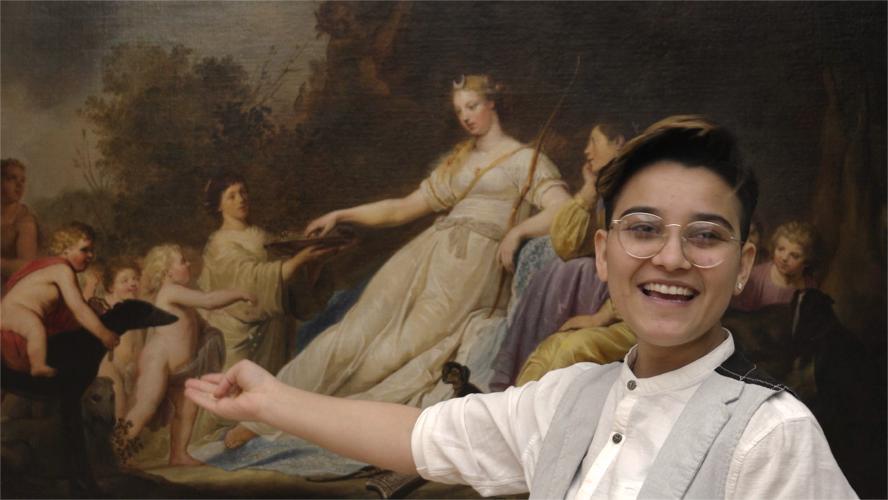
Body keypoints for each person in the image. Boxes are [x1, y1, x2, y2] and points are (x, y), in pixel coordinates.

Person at [186, 115, 856, 498]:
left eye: (706, 236)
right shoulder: (566, 396)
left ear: (744, 266)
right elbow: (419, 438)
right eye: (644, 229)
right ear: (602, 253)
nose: (671, 259)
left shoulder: (773, 438)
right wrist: (269, 401)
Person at [221, 73, 571, 448]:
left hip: (467, 276)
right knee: (350, 335)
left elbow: (563, 207)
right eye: (458, 111)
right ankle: (265, 410)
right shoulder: (459, 161)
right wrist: (343, 214)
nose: (466, 117)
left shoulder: (526, 161)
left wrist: (517, 232)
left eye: (472, 106)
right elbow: (402, 209)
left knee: (388, 356)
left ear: (492, 104)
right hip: (424, 259)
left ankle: (299, 422)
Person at [192, 173, 337, 438]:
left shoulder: (261, 235)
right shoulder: (219, 243)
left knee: (273, 395)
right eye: (232, 196)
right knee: (230, 400)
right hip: (239, 331)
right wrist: (298, 261)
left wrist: (312, 264)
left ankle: (259, 428)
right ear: (218, 206)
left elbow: (287, 283)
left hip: (274, 328)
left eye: (243, 192)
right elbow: (249, 281)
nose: (241, 199)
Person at [491, 121, 631, 390]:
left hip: (622, 298)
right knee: (562, 270)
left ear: (619, 142)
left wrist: (600, 317)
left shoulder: (636, 192)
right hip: (608, 286)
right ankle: (516, 398)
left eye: (594, 141)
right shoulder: (606, 189)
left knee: (568, 272)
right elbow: (565, 244)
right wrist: (589, 190)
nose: (587, 151)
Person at [114, 244, 255, 466]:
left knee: (187, 410)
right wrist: (238, 293)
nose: (188, 264)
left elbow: (194, 325)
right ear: (167, 272)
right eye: (182, 261)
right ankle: (115, 454)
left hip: (183, 368)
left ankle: (178, 455)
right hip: (158, 362)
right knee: (143, 407)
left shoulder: (181, 298)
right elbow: (208, 300)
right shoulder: (170, 291)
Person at [0, 222, 118, 377]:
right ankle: (38, 366)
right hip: (14, 311)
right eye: (84, 250)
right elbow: (78, 309)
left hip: (13, 311)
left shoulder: (57, 269)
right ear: (65, 250)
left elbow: (73, 311)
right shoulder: (62, 270)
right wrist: (104, 334)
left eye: (92, 251)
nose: (90, 255)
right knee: (34, 327)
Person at [91, 258, 145, 419]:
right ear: (111, 287)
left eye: (135, 279)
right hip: (109, 367)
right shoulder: (105, 306)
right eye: (125, 280)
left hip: (130, 370)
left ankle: (123, 440)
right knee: (119, 411)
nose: (133, 283)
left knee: (133, 410)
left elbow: (138, 343)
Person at [731, 220, 817, 311]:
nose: (784, 258)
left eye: (794, 256)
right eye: (780, 249)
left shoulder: (810, 286)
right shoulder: (756, 278)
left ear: (807, 261)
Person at [1, 158, 39, 291]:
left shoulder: (25, 220)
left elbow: (26, 266)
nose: (19, 185)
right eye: (12, 178)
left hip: (10, 290)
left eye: (22, 180)